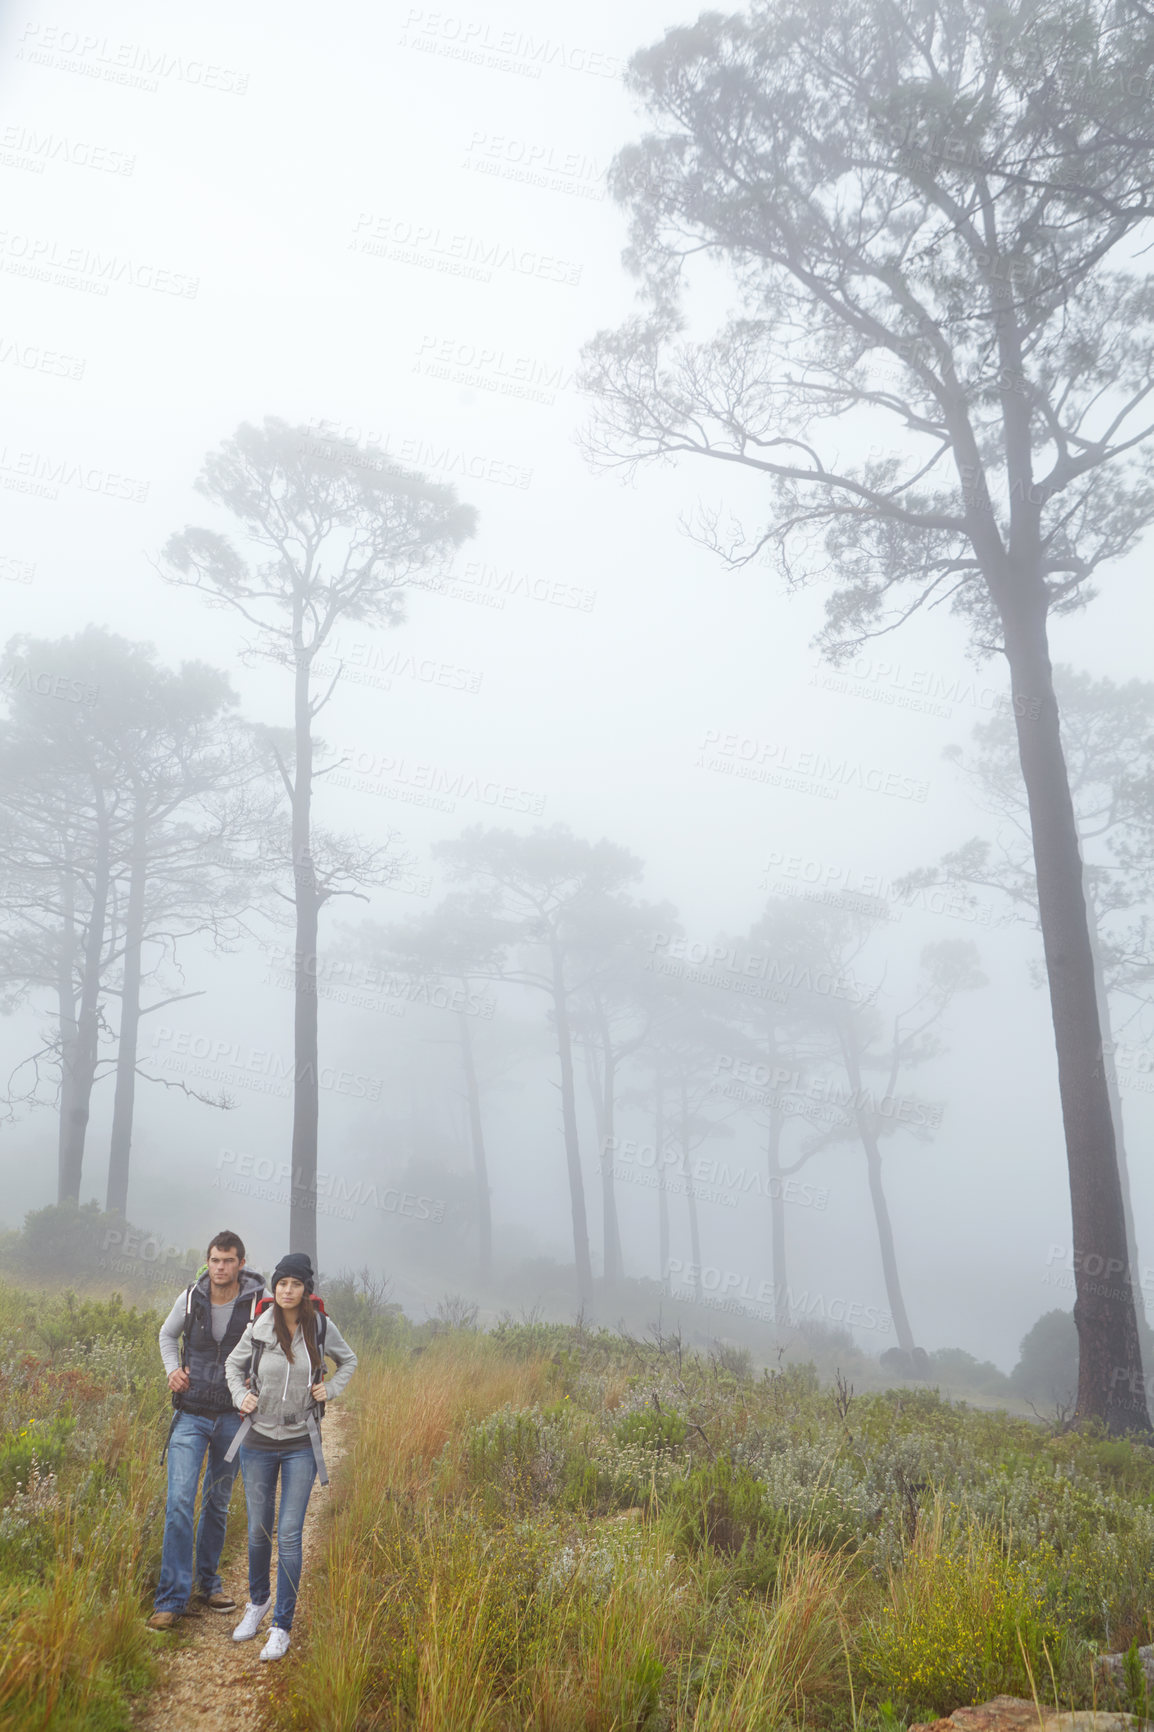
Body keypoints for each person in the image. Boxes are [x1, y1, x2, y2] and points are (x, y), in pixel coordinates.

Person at [224, 1251, 357, 1662]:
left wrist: (330, 1390)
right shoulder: (260, 1326)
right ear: (275, 1287)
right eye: (282, 1283)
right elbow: (233, 1365)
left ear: (305, 1290)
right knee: (259, 1530)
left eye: (295, 1284)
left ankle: (282, 1625)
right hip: (258, 1439)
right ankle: (258, 1601)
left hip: (301, 1442)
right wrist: (240, 1395)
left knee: (289, 1534)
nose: (287, 1290)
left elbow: (348, 1360)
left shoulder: (320, 1328)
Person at [148, 1230, 267, 1631]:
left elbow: (272, 1347)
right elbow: (167, 1335)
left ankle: (209, 1584)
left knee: (216, 1503)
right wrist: (172, 1370)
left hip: (233, 1418)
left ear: (241, 1263)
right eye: (215, 1260)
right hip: (191, 1414)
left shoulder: (257, 1304)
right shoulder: (190, 1297)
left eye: (228, 1260)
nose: (220, 1267)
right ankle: (171, 1599)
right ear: (208, 1261)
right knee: (180, 1501)